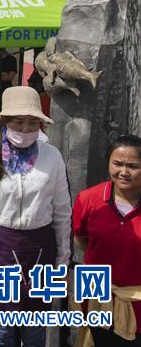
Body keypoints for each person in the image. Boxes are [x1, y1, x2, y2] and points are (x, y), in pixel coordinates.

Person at [0, 86, 71, 347]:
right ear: (4, 122)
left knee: (36, 330)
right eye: (18, 122)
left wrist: (63, 263)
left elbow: (62, 213)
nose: (25, 129)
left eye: (32, 123)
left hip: (40, 250)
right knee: (3, 330)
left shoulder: (52, 156)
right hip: (0, 248)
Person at [72, 135, 141, 347]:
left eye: (133, 166)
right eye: (117, 164)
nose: (124, 172)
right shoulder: (88, 199)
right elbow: (82, 239)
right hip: (97, 296)